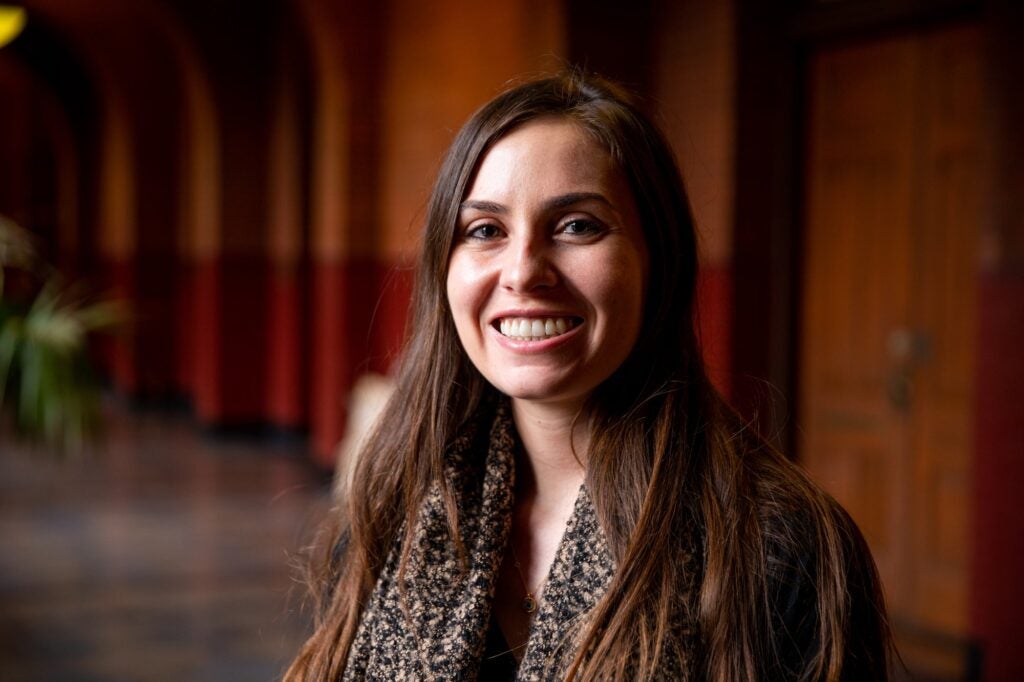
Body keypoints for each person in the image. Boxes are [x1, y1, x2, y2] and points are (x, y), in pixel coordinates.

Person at [285, 72, 892, 681]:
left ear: (660, 262)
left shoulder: (781, 547)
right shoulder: (393, 512)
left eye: (577, 225)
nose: (523, 272)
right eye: (485, 231)